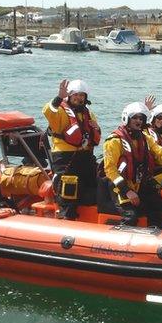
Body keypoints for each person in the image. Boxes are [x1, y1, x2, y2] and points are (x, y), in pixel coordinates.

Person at [101, 102, 162, 228]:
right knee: (131, 216)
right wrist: (127, 191)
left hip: (139, 184)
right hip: (119, 186)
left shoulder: (144, 138)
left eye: (141, 118)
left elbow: (159, 152)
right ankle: (122, 241)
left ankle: (157, 236)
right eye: (135, 118)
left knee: (159, 206)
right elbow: (110, 170)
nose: (138, 121)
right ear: (127, 118)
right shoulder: (114, 141)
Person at [42, 79, 102, 220]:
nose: (79, 98)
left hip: (86, 155)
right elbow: (48, 111)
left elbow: (94, 136)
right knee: (68, 184)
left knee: (95, 181)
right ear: (69, 96)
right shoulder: (60, 111)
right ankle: (66, 215)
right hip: (65, 157)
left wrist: (96, 129)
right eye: (75, 95)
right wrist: (58, 97)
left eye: (82, 95)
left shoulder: (88, 114)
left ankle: (89, 212)